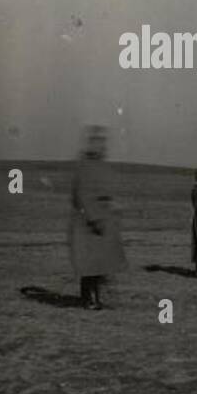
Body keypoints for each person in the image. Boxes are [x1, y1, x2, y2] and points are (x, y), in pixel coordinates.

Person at [68, 126, 127, 310]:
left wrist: (112, 203)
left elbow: (103, 191)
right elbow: (82, 196)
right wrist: (95, 218)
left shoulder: (100, 165)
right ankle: (89, 300)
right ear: (91, 144)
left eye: (104, 141)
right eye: (99, 141)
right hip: (89, 223)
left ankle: (95, 298)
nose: (103, 145)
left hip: (102, 219)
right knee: (90, 264)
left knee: (100, 262)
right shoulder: (84, 166)